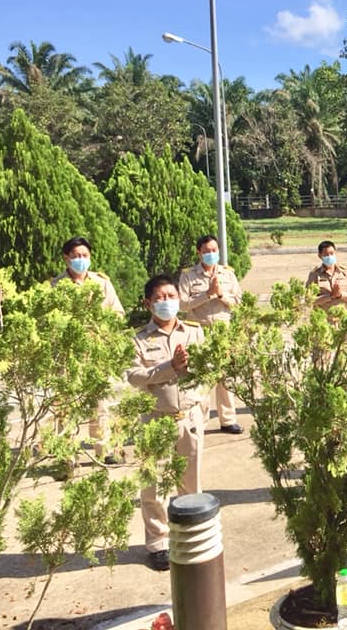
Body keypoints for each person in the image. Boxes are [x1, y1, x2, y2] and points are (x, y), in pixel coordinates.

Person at [127, 274, 207, 572]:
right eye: (159, 298)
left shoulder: (195, 333)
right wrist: (168, 368)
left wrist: (198, 399)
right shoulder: (138, 339)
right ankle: (158, 543)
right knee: (153, 485)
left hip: (189, 417)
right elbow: (134, 377)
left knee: (191, 481)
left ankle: (190, 534)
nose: (167, 302)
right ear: (148, 303)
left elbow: (208, 369)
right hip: (155, 421)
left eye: (171, 296)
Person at [51, 236, 125, 463]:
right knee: (66, 405)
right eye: (75, 256)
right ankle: (68, 456)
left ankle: (104, 451)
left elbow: (118, 314)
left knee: (100, 403)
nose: (80, 260)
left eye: (84, 255)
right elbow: (50, 321)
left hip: (97, 353)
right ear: (66, 258)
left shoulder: (102, 283)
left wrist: (104, 330)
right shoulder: (56, 286)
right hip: (69, 356)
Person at [177, 235, 243, 434]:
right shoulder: (188, 275)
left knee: (226, 378)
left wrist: (221, 294)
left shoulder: (227, 274)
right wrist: (207, 294)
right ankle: (200, 421)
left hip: (223, 333)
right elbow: (182, 304)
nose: (211, 254)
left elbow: (239, 301)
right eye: (206, 251)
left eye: (214, 250)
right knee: (202, 379)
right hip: (200, 333)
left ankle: (228, 420)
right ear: (199, 253)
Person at [306, 240, 347, 309]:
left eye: (331, 253)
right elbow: (309, 300)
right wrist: (329, 296)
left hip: (345, 316)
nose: (329, 256)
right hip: (324, 317)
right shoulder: (314, 274)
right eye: (326, 254)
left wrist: (341, 295)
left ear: (335, 253)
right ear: (320, 256)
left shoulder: (345, 272)